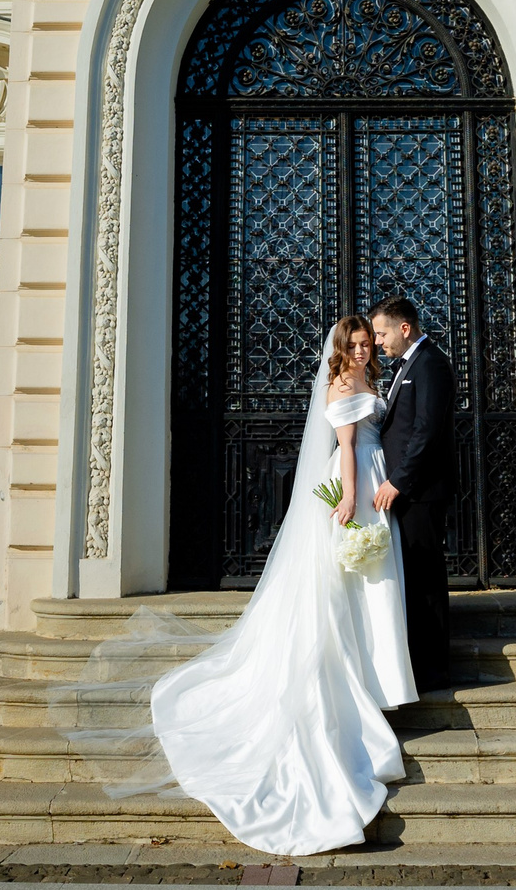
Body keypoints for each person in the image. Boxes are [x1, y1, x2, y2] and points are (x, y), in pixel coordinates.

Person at [113, 315, 415, 854]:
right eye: (357, 344)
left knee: (362, 587)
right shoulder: (344, 384)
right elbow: (346, 446)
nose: (366, 350)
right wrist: (348, 498)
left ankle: (373, 676)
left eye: (370, 343)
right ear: (341, 349)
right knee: (344, 587)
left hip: (371, 475)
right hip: (354, 481)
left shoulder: (369, 379)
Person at [368, 295, 456, 694]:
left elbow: (427, 432)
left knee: (426, 580)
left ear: (405, 329)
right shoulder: (406, 366)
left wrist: (399, 481)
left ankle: (434, 671)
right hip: (408, 492)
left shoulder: (431, 364)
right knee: (413, 579)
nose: (377, 342)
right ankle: (414, 663)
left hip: (420, 492)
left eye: (382, 333)